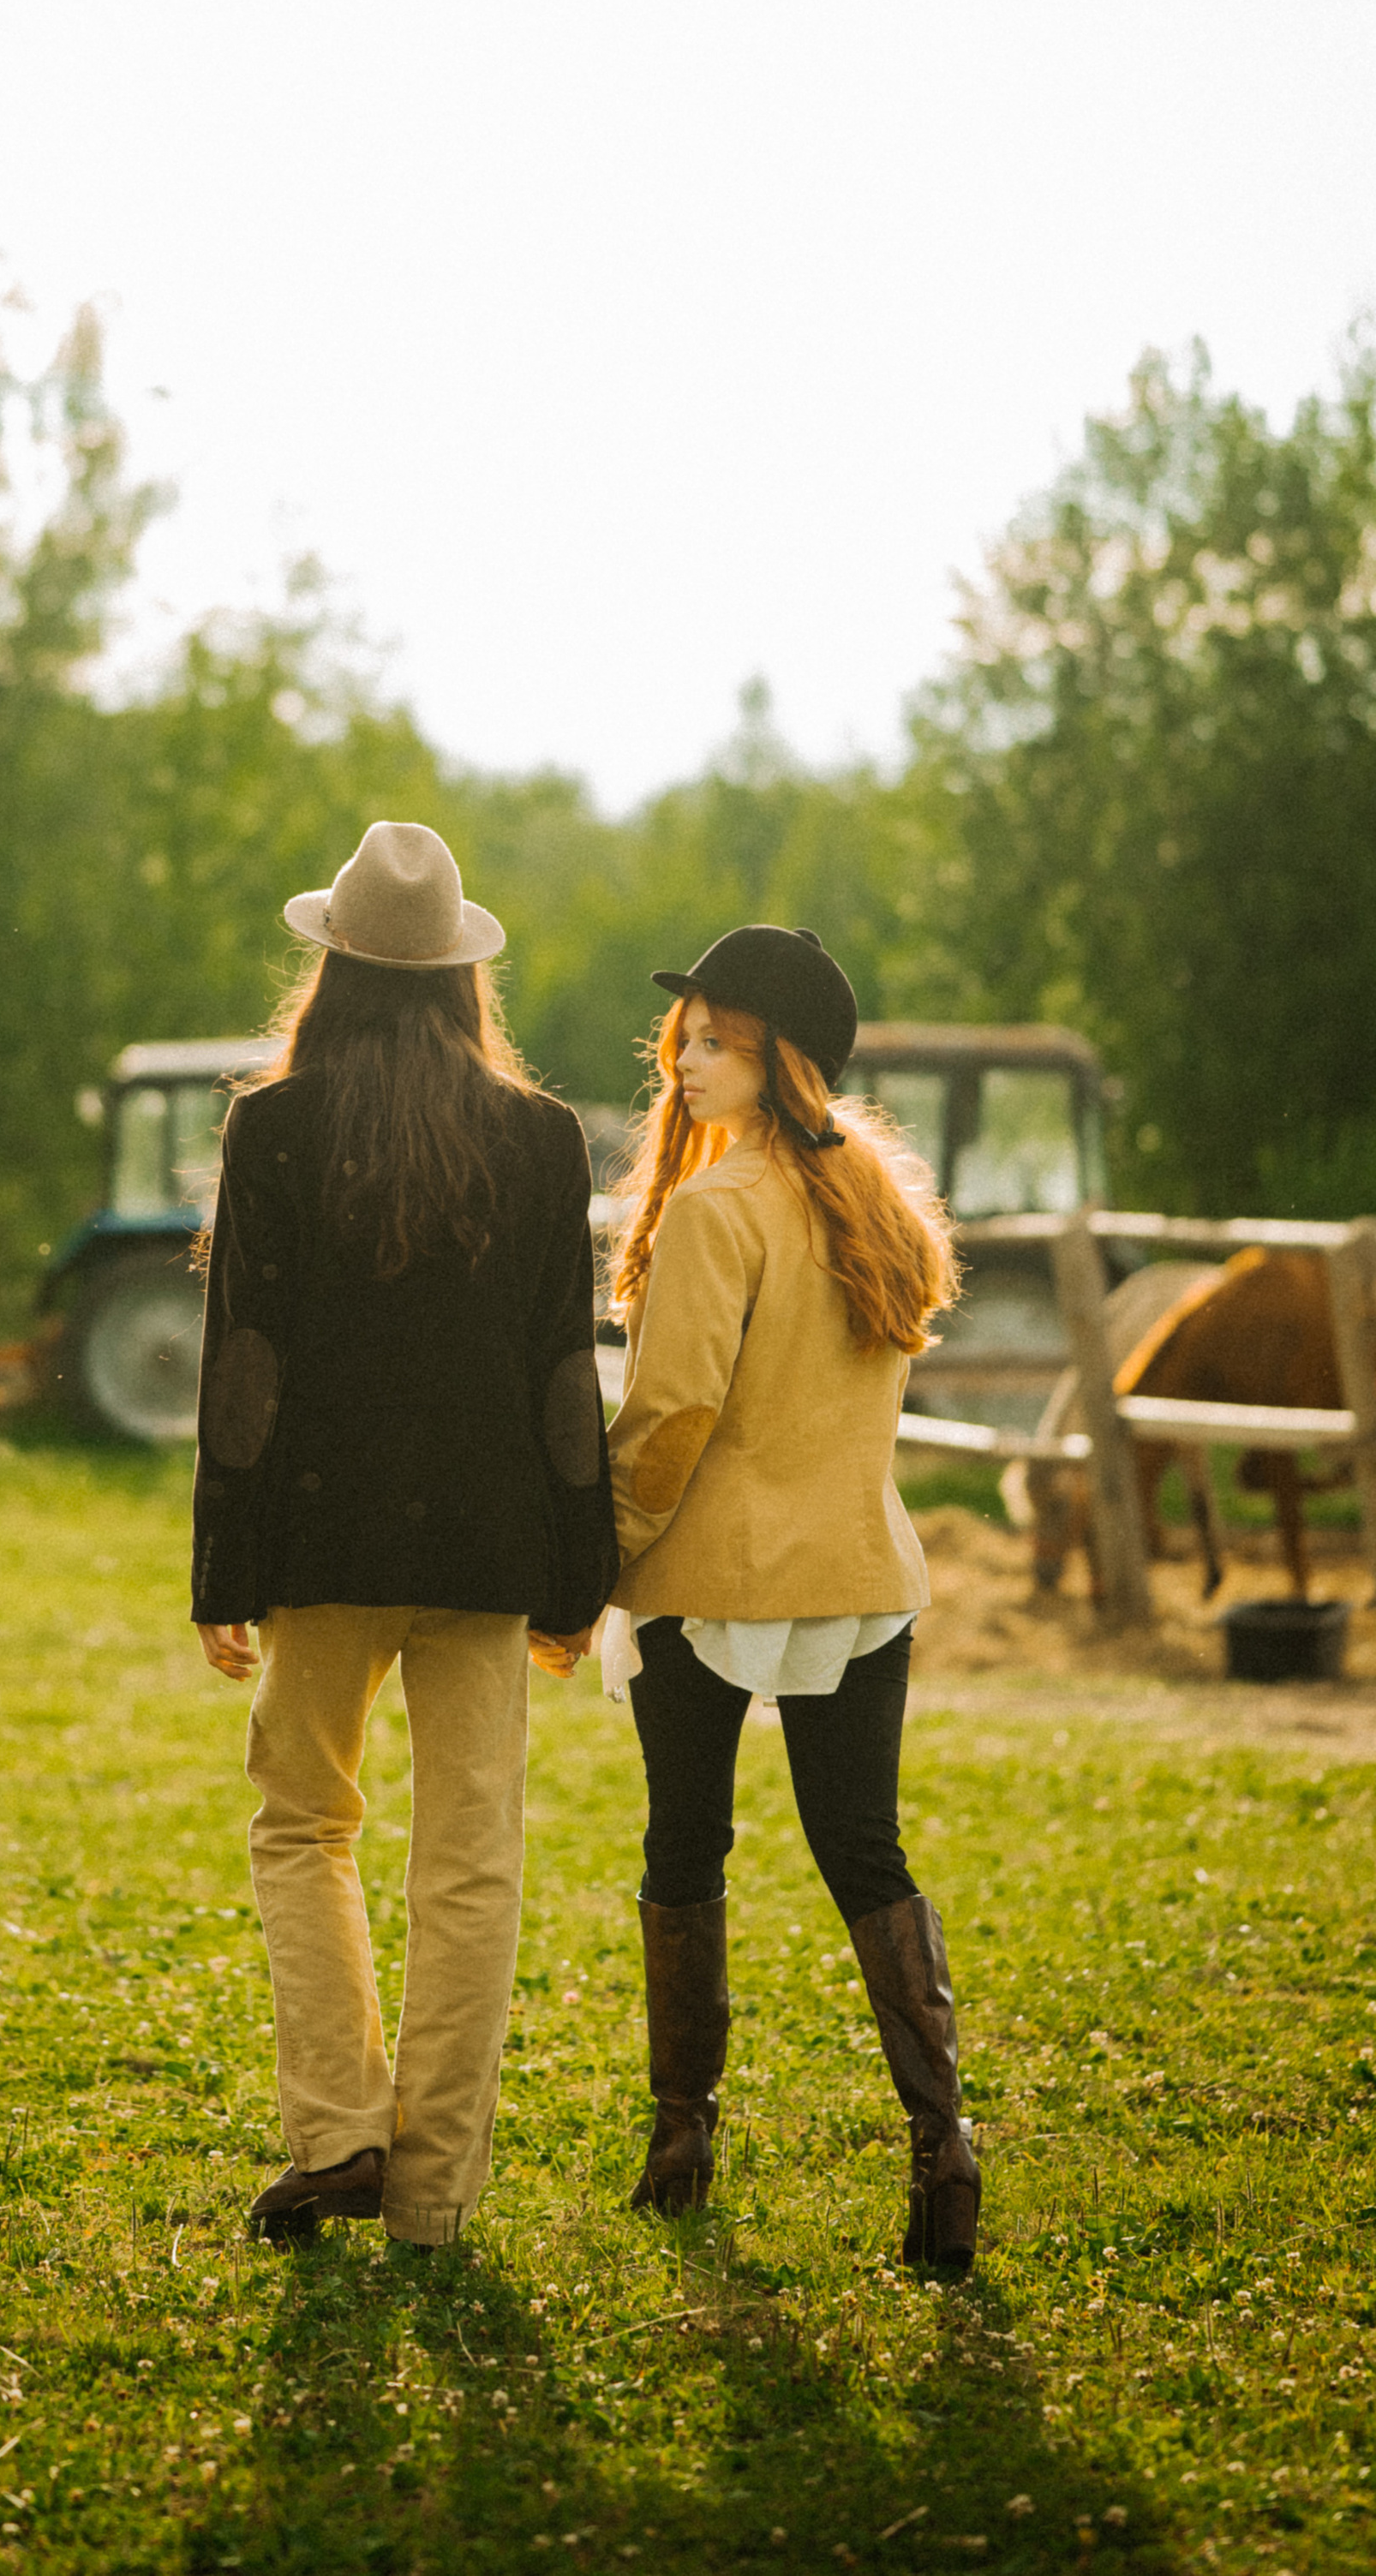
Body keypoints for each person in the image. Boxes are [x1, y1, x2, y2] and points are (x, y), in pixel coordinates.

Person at [190, 819, 618, 2248]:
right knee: (471, 1862)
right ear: (458, 979)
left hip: (319, 1544)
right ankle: (431, 2195)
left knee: (303, 1824)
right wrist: (580, 1575)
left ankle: (341, 2132)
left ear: (334, 969)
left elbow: (244, 1365)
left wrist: (222, 1565)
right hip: (490, 1552)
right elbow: (566, 1376)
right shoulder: (543, 1139)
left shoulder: (274, 1128)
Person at [601, 924, 981, 2274]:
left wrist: (602, 1557)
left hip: (714, 1575)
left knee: (684, 1845)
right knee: (864, 1849)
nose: (687, 1063)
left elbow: (670, 1419)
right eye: (684, 1041)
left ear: (780, 1059)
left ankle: (681, 2140)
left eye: (717, 1042)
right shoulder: (875, 1190)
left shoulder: (717, 1207)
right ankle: (945, 2146)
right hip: (862, 1572)